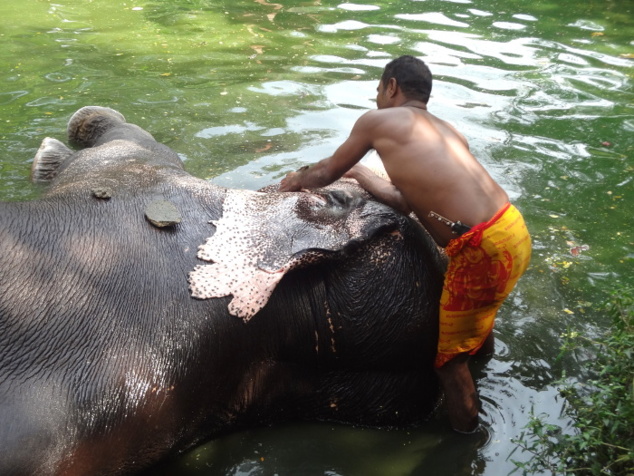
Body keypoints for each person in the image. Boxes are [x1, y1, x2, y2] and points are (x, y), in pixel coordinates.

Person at [278, 55, 531, 433]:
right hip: (512, 230)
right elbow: (406, 202)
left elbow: (325, 172)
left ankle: (466, 443)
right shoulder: (448, 131)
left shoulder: (377, 121)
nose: (377, 97)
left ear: (392, 86)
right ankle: (484, 363)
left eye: (379, 90)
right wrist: (363, 172)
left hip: (480, 247)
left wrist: (294, 180)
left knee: (447, 363)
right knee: (477, 312)